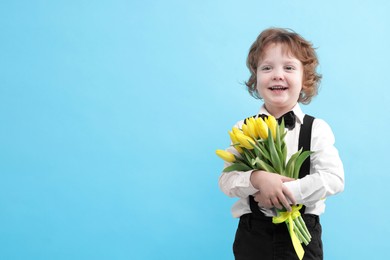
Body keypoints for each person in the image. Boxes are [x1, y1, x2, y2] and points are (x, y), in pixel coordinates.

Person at [218, 28, 345, 260]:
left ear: (304, 79)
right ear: (255, 78)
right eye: (267, 68)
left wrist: (285, 191)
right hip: (253, 236)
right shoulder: (242, 129)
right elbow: (226, 181)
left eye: (288, 67)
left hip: (302, 236)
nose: (277, 75)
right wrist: (257, 178)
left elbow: (334, 179)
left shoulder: (316, 129)